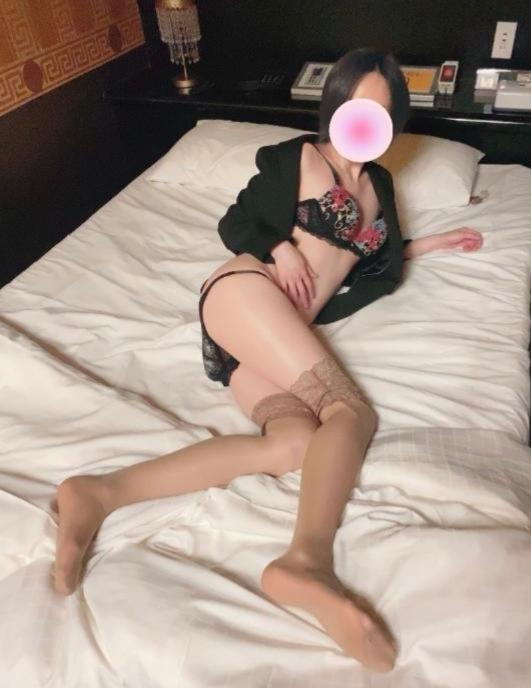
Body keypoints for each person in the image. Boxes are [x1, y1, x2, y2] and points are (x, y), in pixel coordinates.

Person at [50, 47, 483, 672]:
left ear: (394, 121)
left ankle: (96, 493)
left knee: (295, 444)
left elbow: (374, 260)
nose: (366, 120)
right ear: (335, 105)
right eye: (356, 105)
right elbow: (238, 221)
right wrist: (281, 247)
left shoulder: (381, 186)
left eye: (381, 111)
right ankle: (308, 560)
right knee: (351, 412)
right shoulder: (300, 158)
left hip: (266, 337)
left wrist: (430, 244)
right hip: (244, 295)